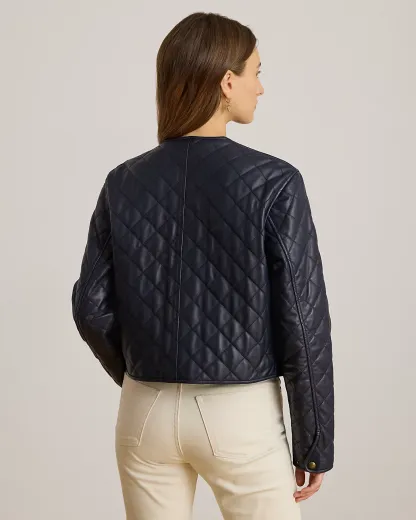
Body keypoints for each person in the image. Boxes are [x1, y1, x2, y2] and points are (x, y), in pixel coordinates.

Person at [71, 11, 334, 520]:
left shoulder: (122, 181)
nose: (261, 87)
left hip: (143, 411)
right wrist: (315, 441)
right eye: (257, 72)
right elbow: (303, 322)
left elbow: (90, 308)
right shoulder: (275, 182)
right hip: (240, 416)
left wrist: (143, 376)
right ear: (227, 81)